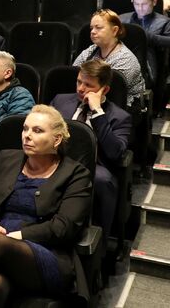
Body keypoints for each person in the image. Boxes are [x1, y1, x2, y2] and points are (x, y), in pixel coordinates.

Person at [0, 105, 92, 308]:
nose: (27, 136)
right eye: (25, 129)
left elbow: (62, 228)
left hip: (47, 253)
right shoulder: (6, 159)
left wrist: (14, 236)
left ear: (56, 140)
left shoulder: (75, 174)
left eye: (37, 131)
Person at [50, 61, 130, 240]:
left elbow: (115, 153)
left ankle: (99, 242)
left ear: (105, 90)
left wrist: (97, 112)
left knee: (104, 180)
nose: (80, 88)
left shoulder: (120, 117)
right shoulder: (60, 101)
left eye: (88, 85)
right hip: (55, 159)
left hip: (91, 167)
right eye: (79, 82)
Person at [73, 9, 146, 107]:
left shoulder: (126, 59)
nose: (93, 32)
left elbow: (110, 92)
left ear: (114, 30)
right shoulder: (92, 50)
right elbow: (73, 74)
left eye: (98, 27)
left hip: (121, 107)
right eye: (91, 28)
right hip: (89, 100)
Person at [119, 0, 170, 85]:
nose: (140, 8)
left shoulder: (165, 22)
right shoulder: (121, 19)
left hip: (148, 64)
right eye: (136, 4)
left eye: (144, 4)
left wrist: (145, 36)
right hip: (121, 60)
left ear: (154, 2)